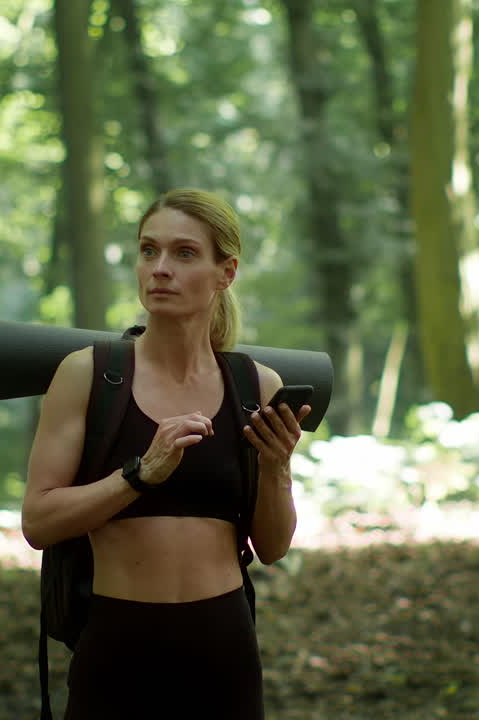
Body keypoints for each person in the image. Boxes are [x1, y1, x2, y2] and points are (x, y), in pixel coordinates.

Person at [22, 189, 309, 719]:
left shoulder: (257, 387)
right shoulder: (88, 375)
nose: (160, 268)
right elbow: (38, 522)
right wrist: (138, 475)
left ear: (226, 273)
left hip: (223, 646)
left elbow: (272, 547)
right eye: (148, 250)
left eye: (184, 253)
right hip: (118, 644)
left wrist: (276, 469)